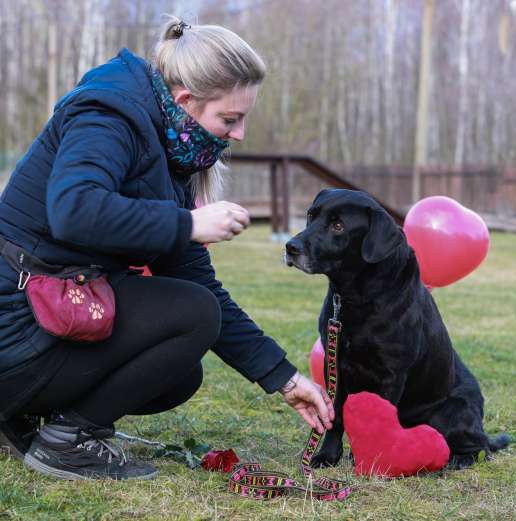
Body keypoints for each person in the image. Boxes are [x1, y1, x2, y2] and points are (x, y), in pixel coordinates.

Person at [0, 17, 333, 480]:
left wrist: (283, 378)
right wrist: (189, 223)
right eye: (230, 119)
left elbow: (202, 286)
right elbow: (73, 209)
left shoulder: (169, 151)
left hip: (50, 318)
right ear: (184, 101)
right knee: (193, 314)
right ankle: (66, 442)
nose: (239, 134)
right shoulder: (108, 116)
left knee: (181, 371)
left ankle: (22, 416)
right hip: (16, 326)